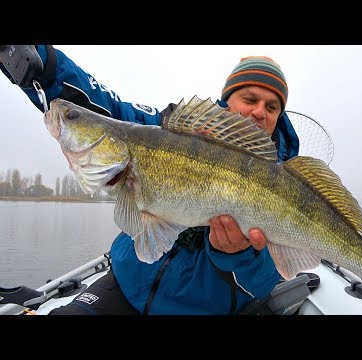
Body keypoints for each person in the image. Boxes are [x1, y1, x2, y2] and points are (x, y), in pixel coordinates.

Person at [0, 45, 299, 315]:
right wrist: (44, 65)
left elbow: (268, 280)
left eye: (272, 107)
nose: (259, 111)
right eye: (250, 99)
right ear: (227, 101)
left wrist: (238, 255)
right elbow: (107, 108)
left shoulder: (290, 186)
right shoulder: (170, 132)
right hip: (126, 285)